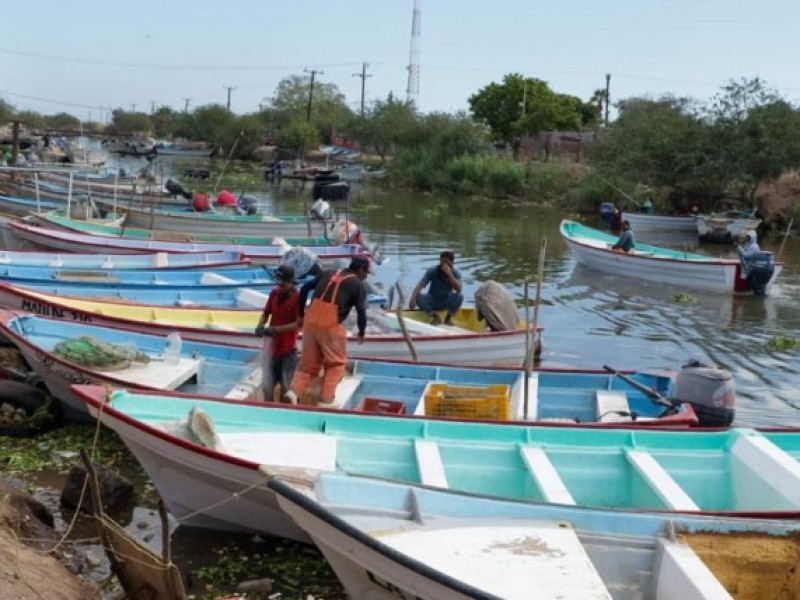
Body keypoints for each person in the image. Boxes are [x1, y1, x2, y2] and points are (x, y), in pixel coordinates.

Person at [290, 255, 371, 404]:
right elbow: (361, 312)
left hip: (310, 322)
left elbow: (304, 289)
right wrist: (361, 332)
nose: (366, 276)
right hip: (330, 326)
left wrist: (300, 315)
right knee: (336, 364)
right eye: (366, 272)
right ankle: (326, 399)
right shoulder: (357, 284)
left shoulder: (328, 273)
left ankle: (294, 393)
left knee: (307, 365)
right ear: (359, 270)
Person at [255, 265, 300, 404]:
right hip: (271, 350)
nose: (281, 286)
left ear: (291, 282)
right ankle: (268, 411)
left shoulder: (298, 298)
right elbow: (266, 313)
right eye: (278, 283)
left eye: (284, 283)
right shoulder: (274, 293)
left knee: (285, 390)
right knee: (267, 386)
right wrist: (260, 325)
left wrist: (276, 330)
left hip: (287, 351)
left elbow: (298, 324)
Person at [408, 250, 463, 325]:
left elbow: (459, 289)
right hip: (432, 299)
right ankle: (434, 316)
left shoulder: (455, 273)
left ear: (452, 263)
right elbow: (420, 285)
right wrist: (412, 299)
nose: (443, 265)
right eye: (442, 262)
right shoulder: (433, 270)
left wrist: (449, 274)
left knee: (459, 296)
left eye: (446, 263)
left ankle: (448, 318)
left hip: (446, 300)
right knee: (417, 297)